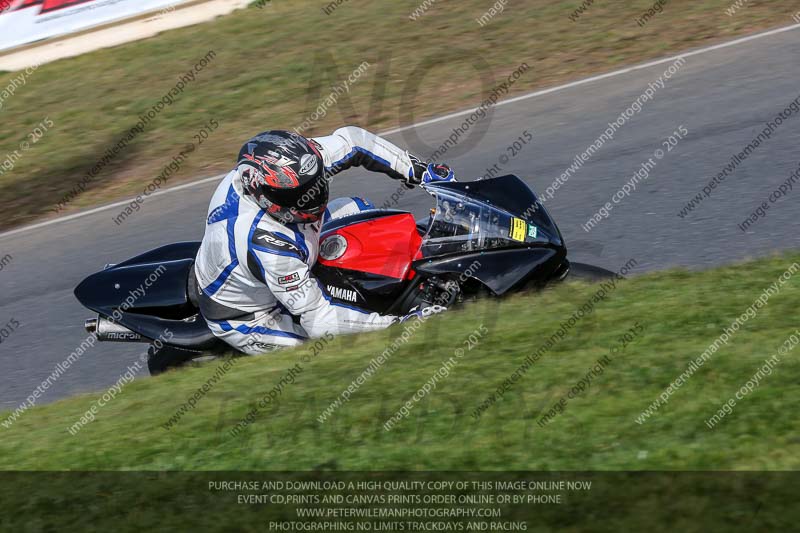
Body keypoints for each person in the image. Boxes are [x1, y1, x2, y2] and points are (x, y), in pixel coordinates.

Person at [193, 127, 454, 355]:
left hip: (296, 240)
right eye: (298, 194)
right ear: (263, 195)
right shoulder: (265, 242)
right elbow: (320, 321)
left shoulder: (301, 163)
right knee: (321, 353)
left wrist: (420, 172)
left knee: (359, 209)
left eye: (315, 184)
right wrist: (396, 326)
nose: (313, 197)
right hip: (250, 315)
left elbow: (354, 141)